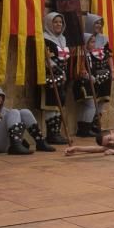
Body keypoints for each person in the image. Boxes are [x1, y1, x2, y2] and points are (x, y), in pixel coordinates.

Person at [0, 85, 54, 155]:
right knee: (14, 111)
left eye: (0, 96)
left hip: (8, 144)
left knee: (24, 112)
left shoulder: (5, 111)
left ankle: (40, 142)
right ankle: (15, 146)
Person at [41, 12, 72, 144]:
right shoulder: (45, 39)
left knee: (60, 104)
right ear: (49, 23)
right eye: (55, 22)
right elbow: (47, 59)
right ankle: (51, 134)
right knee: (51, 103)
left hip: (62, 77)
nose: (58, 24)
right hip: (51, 76)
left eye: (60, 22)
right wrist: (57, 70)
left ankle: (57, 132)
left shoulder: (63, 39)